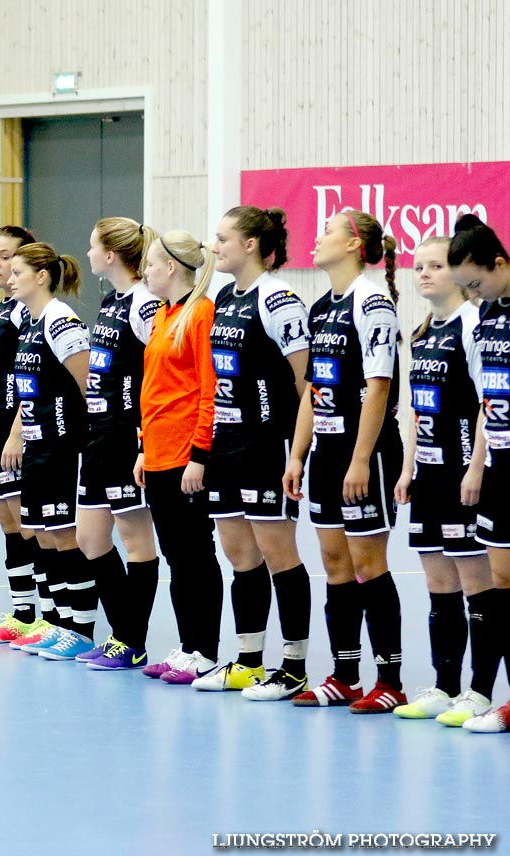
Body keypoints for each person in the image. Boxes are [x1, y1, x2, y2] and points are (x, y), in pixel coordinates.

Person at [175, 206, 313, 696]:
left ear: (251, 244)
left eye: (223, 238)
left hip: (267, 444)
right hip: (228, 446)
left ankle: (293, 666)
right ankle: (250, 660)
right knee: (239, 556)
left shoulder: (278, 300)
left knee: (279, 554)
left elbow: (306, 385)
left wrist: (297, 453)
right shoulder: (224, 299)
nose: (215, 247)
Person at [283, 210, 405, 712]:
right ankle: (345, 675)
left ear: (355, 244)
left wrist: (360, 460)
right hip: (327, 453)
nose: (316, 237)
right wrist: (296, 454)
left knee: (367, 565)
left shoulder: (372, 301)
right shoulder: (321, 307)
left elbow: (379, 387)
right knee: (334, 564)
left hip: (365, 452)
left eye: (328, 230)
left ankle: (390, 680)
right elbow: (313, 389)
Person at [391, 237, 495, 724]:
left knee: (477, 582)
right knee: (437, 583)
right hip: (428, 477)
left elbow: (485, 403)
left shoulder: (474, 326)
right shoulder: (422, 331)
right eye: (419, 267)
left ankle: (480, 690)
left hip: (462, 477)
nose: (425, 274)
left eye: (436, 265)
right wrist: (409, 467)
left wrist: (476, 467)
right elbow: (416, 409)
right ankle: (444, 685)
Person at [130, 231, 222, 674]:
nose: (145, 271)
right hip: (160, 454)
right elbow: (155, 389)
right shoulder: (163, 316)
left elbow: (209, 389)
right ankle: (188, 647)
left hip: (187, 456)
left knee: (196, 554)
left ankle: (204, 650)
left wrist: (200, 455)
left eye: (149, 264)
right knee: (175, 556)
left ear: (170, 267)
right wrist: (145, 447)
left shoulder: (201, 313)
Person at [1, 242, 94, 659]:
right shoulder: (31, 322)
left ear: (42, 277)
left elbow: (87, 385)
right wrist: (17, 433)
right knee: (41, 534)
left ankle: (81, 628)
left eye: (18, 270)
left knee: (63, 533)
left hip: (62, 445)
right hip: (37, 443)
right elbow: (29, 388)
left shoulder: (61, 321)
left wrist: (87, 443)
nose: (10, 277)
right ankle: (56, 623)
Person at [76, 218, 162, 666]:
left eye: (92, 246)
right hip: (99, 435)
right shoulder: (111, 300)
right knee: (90, 539)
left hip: (128, 437)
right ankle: (123, 633)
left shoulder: (145, 304)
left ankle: (130, 639)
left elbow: (158, 371)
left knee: (136, 541)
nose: (87, 253)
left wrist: (146, 439)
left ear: (111, 254)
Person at [447, 214, 510, 733]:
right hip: (499, 465)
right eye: (463, 289)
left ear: (499, 263)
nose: (472, 296)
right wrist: (477, 464)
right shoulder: (487, 315)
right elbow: (488, 399)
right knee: (501, 579)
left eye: (476, 283)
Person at [0, 226, 45, 644]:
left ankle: (44, 614)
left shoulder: (26, 313)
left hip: (19, 429)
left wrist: (17, 433)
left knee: (29, 524)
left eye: (5, 257)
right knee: (8, 524)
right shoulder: (0, 310)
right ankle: (21, 613)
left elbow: (30, 376)